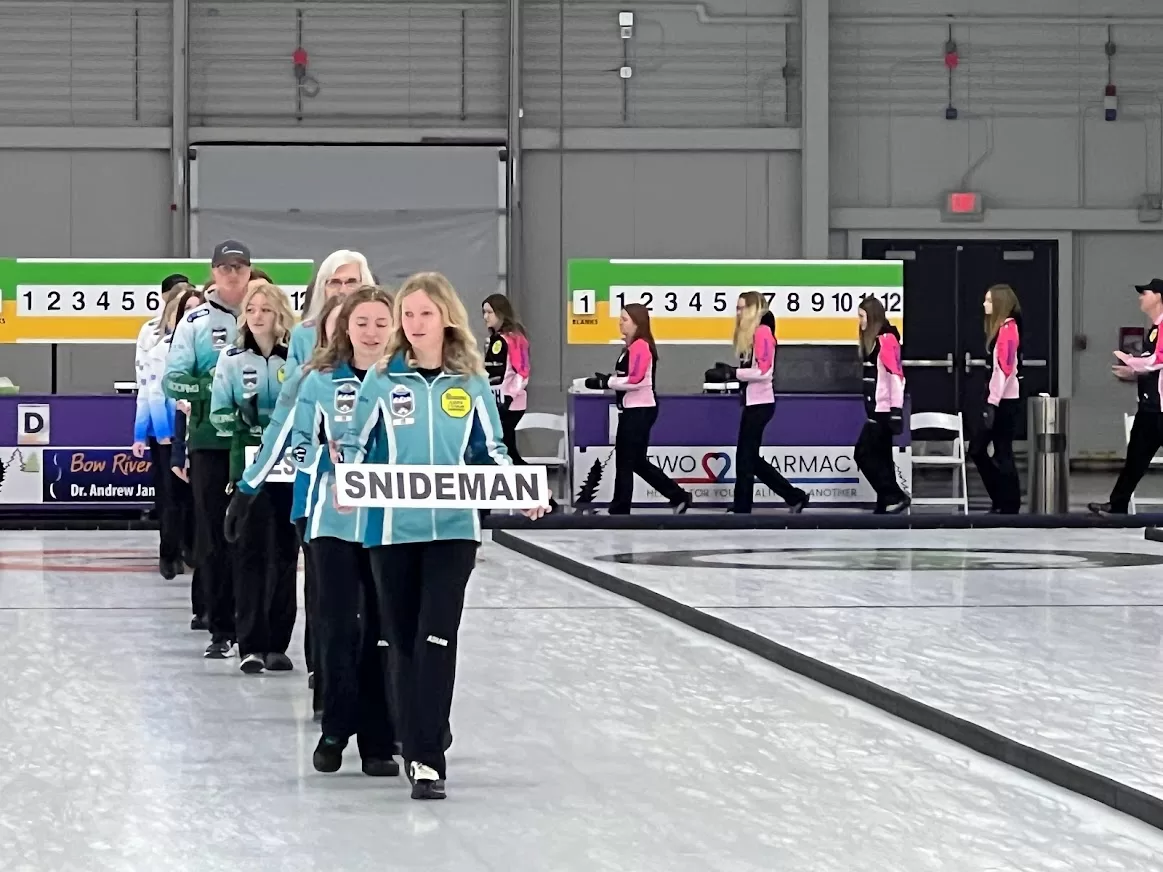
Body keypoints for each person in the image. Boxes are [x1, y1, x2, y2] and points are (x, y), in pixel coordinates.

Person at [346, 272, 550, 800]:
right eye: (407, 315)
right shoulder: (382, 381)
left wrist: (519, 490)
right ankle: (419, 735)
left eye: (424, 314)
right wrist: (346, 483)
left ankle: (426, 759)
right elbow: (353, 447)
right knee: (402, 643)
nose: (414, 324)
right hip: (389, 532)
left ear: (446, 319)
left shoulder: (471, 383)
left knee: (437, 637)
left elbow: (492, 453)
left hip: (453, 532)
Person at [288, 285, 400, 777]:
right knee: (336, 628)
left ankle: (379, 738)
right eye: (362, 323)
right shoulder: (319, 380)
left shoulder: (406, 380)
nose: (372, 332)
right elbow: (295, 444)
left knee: (382, 631)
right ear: (343, 328)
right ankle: (335, 727)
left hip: (390, 524)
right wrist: (323, 463)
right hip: (332, 522)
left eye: (381, 322)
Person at [234, 292, 346, 710]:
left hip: (379, 516)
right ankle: (326, 685)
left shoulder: (391, 378)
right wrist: (247, 489)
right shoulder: (310, 379)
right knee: (328, 599)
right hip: (317, 508)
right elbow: (279, 431)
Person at [163, 240, 253, 659]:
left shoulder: (265, 315)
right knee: (214, 536)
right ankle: (220, 627)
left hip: (257, 445)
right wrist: (215, 390)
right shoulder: (196, 321)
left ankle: (254, 629)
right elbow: (172, 381)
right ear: (214, 272)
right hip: (209, 442)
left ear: (250, 270)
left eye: (239, 267)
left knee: (256, 539)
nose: (232, 274)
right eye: (224, 267)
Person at [211, 282, 299, 675]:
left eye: (266, 309)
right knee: (248, 553)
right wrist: (243, 421)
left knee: (284, 552)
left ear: (279, 313)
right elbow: (218, 414)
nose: (258, 316)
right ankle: (249, 642)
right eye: (252, 309)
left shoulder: (295, 358)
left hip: (290, 468)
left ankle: (277, 643)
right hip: (246, 465)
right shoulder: (230, 358)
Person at [585, 304, 692, 515]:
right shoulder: (631, 347)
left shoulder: (641, 346)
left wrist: (607, 383)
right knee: (636, 462)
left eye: (624, 319)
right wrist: (610, 381)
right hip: (634, 409)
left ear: (637, 322)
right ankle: (678, 495)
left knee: (625, 461)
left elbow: (635, 380)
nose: (620, 323)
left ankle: (620, 509)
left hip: (640, 410)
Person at [717, 293, 810, 514]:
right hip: (753, 402)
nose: (737, 313)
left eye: (741, 308)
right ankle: (793, 496)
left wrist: (734, 373)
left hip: (761, 403)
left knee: (745, 457)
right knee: (750, 458)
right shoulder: (754, 335)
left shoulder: (762, 332)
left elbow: (763, 371)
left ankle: (743, 506)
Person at [132, 276, 193, 578]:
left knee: (194, 495)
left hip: (197, 427)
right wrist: (144, 431)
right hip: (164, 427)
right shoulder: (152, 338)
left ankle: (192, 549)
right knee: (169, 493)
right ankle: (169, 552)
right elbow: (147, 387)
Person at [1090, 278, 1163, 515]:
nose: (1141, 298)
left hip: (1159, 409)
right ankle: (1118, 504)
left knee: (1137, 458)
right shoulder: (1154, 330)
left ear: (1159, 296)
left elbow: (1157, 360)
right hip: (1150, 406)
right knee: (1135, 459)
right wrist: (1133, 373)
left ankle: (1117, 503)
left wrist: (1132, 362)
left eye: (1145, 293)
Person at [165, 286, 206, 628]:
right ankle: (205, 606)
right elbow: (179, 403)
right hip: (198, 443)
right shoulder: (179, 350)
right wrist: (179, 449)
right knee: (199, 520)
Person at [970, 284, 1023, 514]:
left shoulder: (1008, 330)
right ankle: (1002, 498)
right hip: (998, 398)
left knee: (999, 451)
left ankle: (1008, 502)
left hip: (1004, 401)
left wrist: (993, 402)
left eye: (989, 301)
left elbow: (1003, 369)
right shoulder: (1002, 329)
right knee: (984, 450)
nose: (984, 305)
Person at [854, 296, 910, 514]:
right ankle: (885, 502)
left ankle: (894, 495)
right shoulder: (875, 341)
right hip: (876, 409)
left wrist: (896, 411)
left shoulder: (886, 341)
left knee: (863, 453)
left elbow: (896, 377)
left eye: (862, 316)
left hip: (884, 411)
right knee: (883, 457)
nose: (859, 322)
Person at [482, 293, 531, 463]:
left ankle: (530, 481)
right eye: (484, 312)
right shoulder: (493, 340)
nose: (485, 317)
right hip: (495, 400)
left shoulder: (515, 339)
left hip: (511, 403)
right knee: (503, 445)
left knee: (505, 446)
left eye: (489, 312)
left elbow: (523, 372)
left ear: (501, 313)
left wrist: (510, 395)